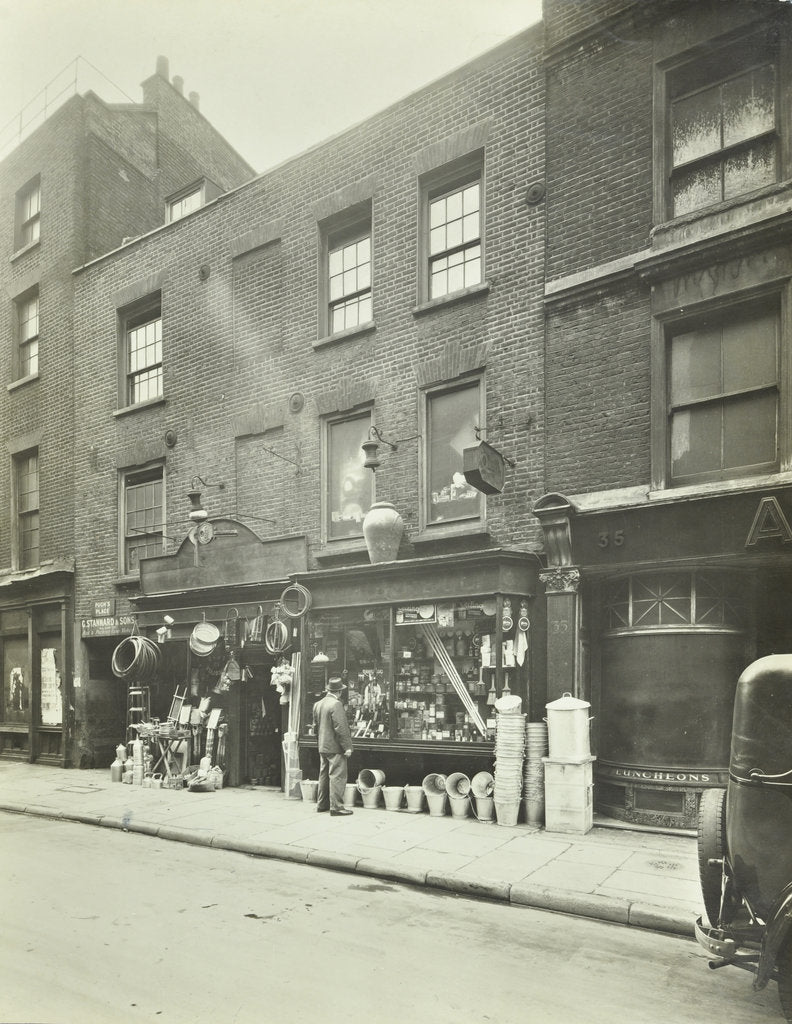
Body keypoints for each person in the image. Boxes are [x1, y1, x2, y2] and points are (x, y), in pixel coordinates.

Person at [313, 676, 354, 816]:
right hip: (335, 747)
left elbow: (315, 728)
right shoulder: (336, 704)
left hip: (322, 745)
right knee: (337, 776)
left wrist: (319, 743)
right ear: (340, 692)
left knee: (323, 775)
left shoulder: (318, 704)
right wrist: (347, 747)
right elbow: (341, 728)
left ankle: (321, 805)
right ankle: (336, 807)